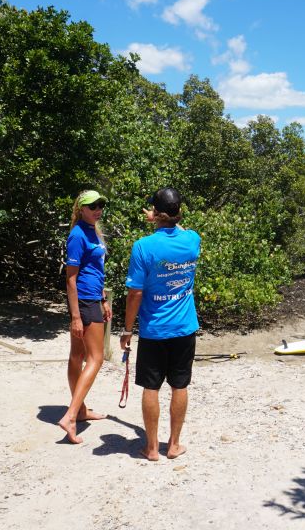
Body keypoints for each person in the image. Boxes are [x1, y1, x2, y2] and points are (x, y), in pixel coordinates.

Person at [121, 187, 201, 461]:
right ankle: (174, 445)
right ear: (179, 212)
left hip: (154, 329)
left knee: (151, 387)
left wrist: (127, 328)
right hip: (184, 327)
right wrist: (162, 220)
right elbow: (180, 227)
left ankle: (152, 447)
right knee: (180, 385)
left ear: (155, 213)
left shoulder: (143, 246)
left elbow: (135, 293)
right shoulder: (192, 240)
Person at [57, 189, 112, 444]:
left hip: (93, 298)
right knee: (96, 358)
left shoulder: (93, 231)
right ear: (81, 209)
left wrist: (104, 298)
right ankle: (70, 415)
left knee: (78, 356)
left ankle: (80, 410)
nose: (98, 210)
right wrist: (76, 316)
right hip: (84, 302)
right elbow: (70, 278)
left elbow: (95, 269)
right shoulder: (77, 235)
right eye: (93, 206)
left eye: (100, 205)